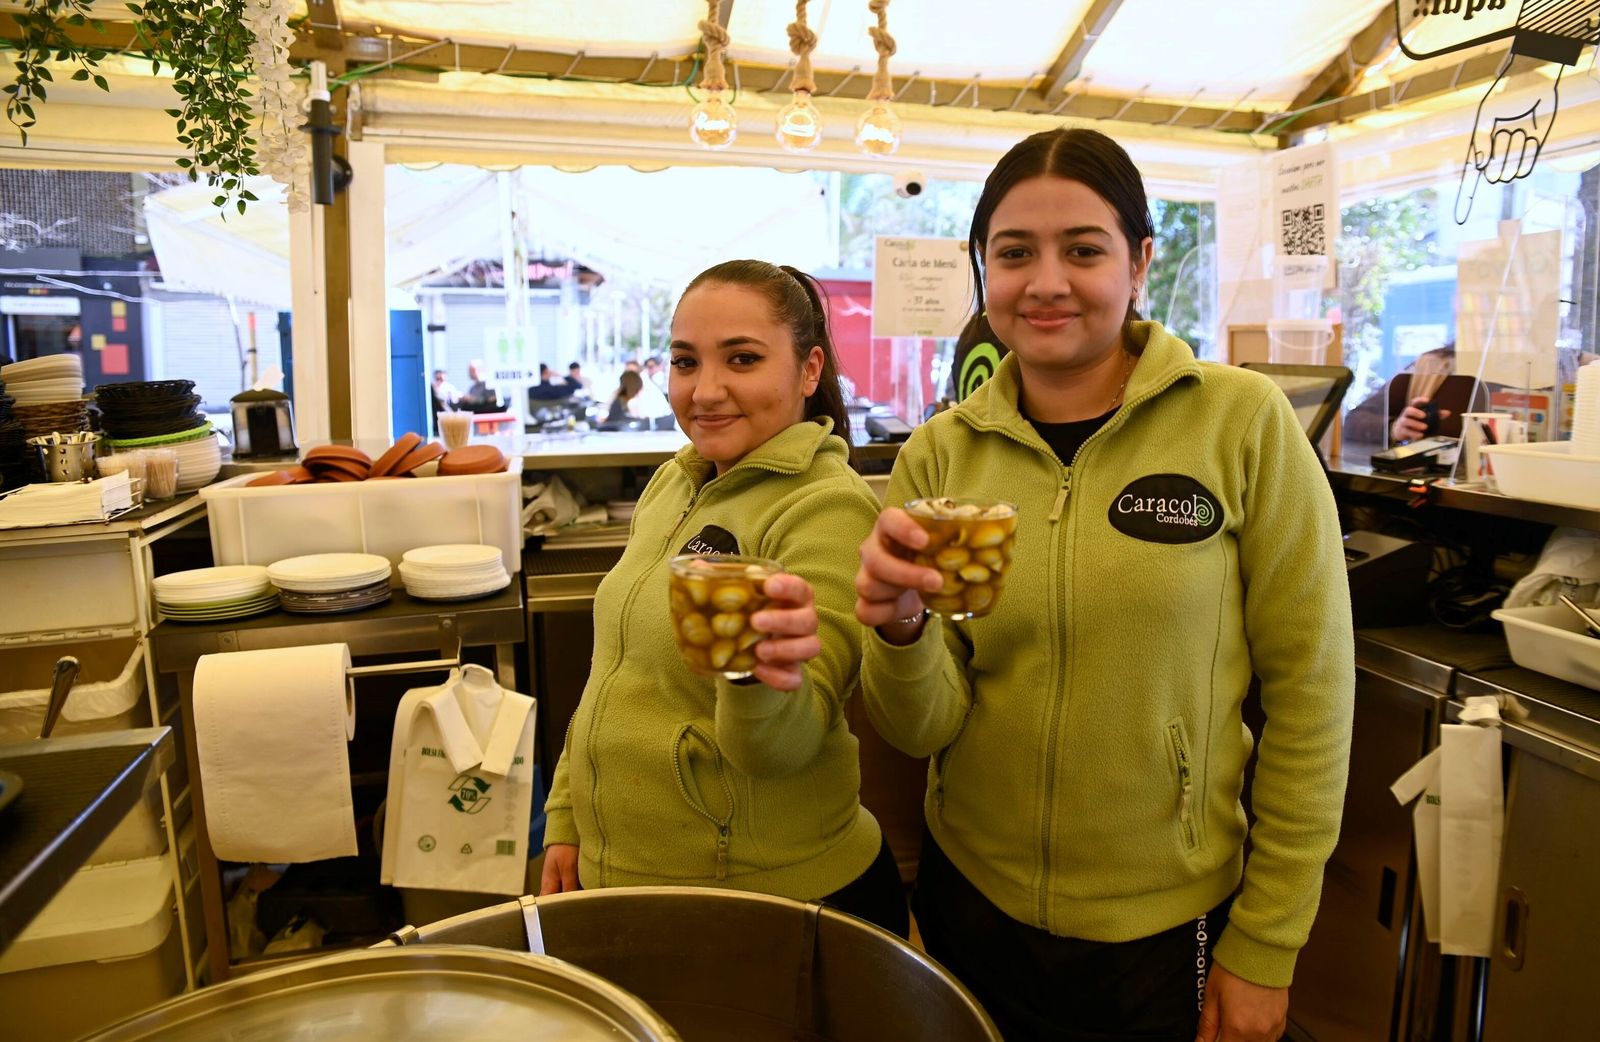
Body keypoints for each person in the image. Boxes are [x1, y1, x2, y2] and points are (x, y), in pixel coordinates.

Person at [853, 128, 1353, 1042]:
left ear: (1141, 261)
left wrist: (1268, 940)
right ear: (983, 273)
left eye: (1083, 249)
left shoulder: (1240, 425)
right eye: (1013, 254)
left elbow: (1314, 695)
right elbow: (922, 727)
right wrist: (899, 631)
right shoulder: (942, 451)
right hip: (975, 906)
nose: (1046, 282)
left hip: (1167, 926)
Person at [541, 259, 906, 938]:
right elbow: (613, 677)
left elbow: (786, 746)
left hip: (770, 902)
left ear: (809, 370)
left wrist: (750, 671)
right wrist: (568, 815)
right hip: (632, 877)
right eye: (685, 362)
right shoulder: (673, 484)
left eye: (741, 359)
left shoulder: (826, 509)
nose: (705, 391)